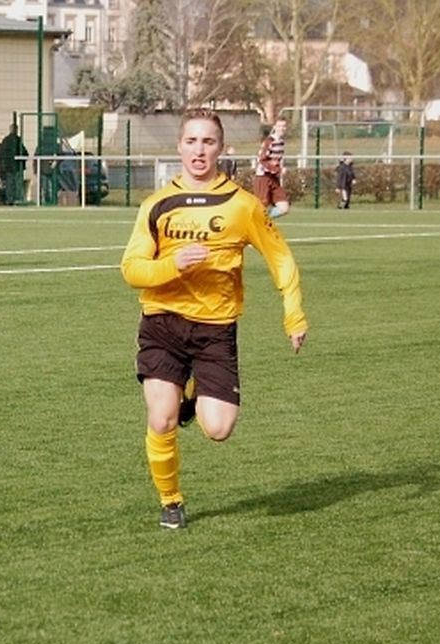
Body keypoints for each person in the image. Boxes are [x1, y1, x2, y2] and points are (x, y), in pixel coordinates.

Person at [120, 110, 307, 530]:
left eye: (208, 142)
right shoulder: (156, 205)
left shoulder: (243, 206)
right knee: (161, 418)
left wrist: (293, 313)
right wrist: (172, 265)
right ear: (179, 147)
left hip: (215, 331)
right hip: (163, 324)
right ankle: (171, 501)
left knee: (218, 429)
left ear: (220, 148)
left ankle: (191, 390)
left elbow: (280, 257)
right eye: (191, 141)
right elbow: (131, 270)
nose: (199, 150)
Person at [253, 117, 290, 218]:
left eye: (284, 126)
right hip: (263, 177)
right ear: (274, 127)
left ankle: (264, 219)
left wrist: (278, 170)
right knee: (261, 207)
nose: (282, 128)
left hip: (273, 178)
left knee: (284, 208)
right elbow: (261, 160)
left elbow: (277, 160)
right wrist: (278, 170)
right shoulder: (269, 141)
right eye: (279, 126)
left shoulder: (281, 142)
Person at [0, 124, 27, 205]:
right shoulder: (17, 140)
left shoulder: (6, 141)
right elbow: (24, 152)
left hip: (8, 167)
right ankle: (17, 199)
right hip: (17, 166)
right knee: (17, 183)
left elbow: (1, 155)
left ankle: (10, 199)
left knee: (10, 183)